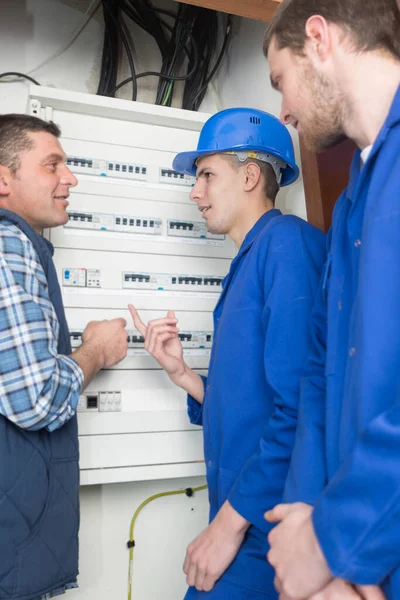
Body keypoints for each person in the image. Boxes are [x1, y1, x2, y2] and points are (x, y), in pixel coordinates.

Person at [129, 107, 326, 600]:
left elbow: (302, 403)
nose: (195, 192)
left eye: (207, 175)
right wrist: (185, 376)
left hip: (269, 525)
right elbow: (252, 401)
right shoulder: (252, 260)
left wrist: (228, 527)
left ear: (251, 175)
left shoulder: (287, 247)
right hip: (246, 516)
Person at [263, 1, 400, 599]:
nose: (283, 108)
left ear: (319, 39)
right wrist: (304, 526)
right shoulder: (349, 206)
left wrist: (331, 540)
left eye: (279, 80)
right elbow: (321, 374)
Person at [0, 114, 128, 600]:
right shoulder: (9, 243)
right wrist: (96, 350)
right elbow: (36, 399)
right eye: (52, 165)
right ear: (3, 179)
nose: (69, 178)